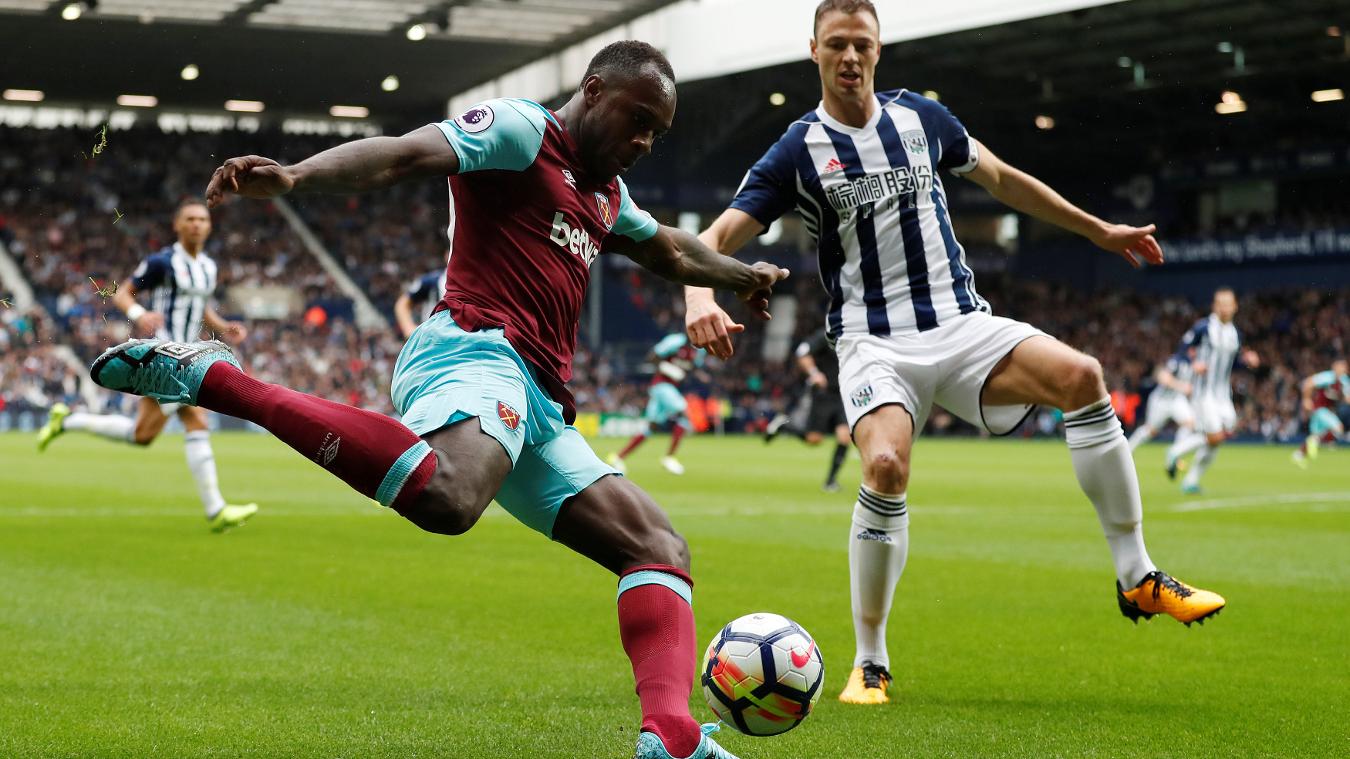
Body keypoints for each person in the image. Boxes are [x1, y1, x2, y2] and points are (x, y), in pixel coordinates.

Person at [90, 41, 786, 759]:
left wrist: (742, 273)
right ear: (594, 88)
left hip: (539, 399)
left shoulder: (607, 192)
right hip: (475, 348)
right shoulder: (521, 130)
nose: (644, 142)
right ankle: (218, 379)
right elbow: (403, 153)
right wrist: (297, 175)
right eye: (638, 120)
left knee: (658, 548)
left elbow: (669, 250)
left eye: (657, 133)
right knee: (451, 498)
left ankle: (671, 739)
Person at [682, 0, 1225, 707]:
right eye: (837, 44)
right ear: (813, 49)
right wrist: (699, 298)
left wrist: (1099, 230)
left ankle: (1138, 576)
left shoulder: (923, 120)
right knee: (884, 463)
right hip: (873, 341)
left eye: (863, 45)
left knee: (1083, 375)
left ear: (880, 50)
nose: (851, 57)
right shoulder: (797, 149)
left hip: (961, 324)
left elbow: (1000, 178)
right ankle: (870, 659)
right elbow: (715, 236)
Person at [37, 199, 257, 532]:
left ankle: (67, 421)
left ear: (209, 226)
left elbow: (200, 305)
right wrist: (140, 315)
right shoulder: (162, 262)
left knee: (143, 434)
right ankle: (216, 511)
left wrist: (223, 326)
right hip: (165, 355)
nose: (197, 224)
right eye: (190, 219)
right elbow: (123, 294)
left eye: (202, 219)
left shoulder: (208, 267)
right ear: (178, 225)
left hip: (190, 353)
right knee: (195, 420)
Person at [1162, 288, 1260, 493]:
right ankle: (1176, 452)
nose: (1224, 308)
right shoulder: (1203, 328)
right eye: (1220, 304)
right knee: (1214, 436)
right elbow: (1181, 351)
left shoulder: (1236, 333)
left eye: (1228, 304)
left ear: (1235, 307)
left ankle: (1190, 480)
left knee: (1220, 436)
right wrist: (1193, 362)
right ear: (1215, 306)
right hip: (1203, 393)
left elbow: (1234, 362)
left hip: (1223, 394)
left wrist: (1247, 361)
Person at [765, 328, 851, 491]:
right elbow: (802, 352)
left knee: (844, 436)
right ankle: (785, 427)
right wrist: (814, 373)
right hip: (823, 395)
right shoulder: (826, 335)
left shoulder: (854, 333)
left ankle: (830, 482)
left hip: (843, 394)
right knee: (814, 439)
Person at [609, 333, 701, 475]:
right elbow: (652, 357)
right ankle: (669, 458)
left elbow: (691, 368)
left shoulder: (698, 350)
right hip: (662, 386)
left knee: (651, 427)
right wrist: (667, 369)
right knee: (683, 412)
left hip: (665, 389)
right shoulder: (676, 341)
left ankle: (618, 457)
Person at [1127, 351, 1196, 453]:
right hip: (1161, 400)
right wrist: (1181, 386)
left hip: (1176, 399)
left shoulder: (1194, 363)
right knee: (1150, 431)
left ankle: (1175, 452)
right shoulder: (1177, 360)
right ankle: (1127, 449)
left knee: (1190, 423)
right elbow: (1162, 377)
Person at [1291, 358, 1348, 469]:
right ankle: (1316, 442)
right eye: (1340, 367)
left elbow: (1347, 397)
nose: (1342, 369)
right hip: (1319, 409)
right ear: (1334, 367)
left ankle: (1298, 455)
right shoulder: (1327, 377)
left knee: (1315, 435)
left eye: (1344, 367)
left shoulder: (1344, 381)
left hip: (1328, 411)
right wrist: (1306, 399)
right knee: (1338, 428)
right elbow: (1308, 383)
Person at [394, 258, 448, 339]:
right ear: (447, 255)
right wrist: (408, 328)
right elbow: (402, 303)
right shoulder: (433, 279)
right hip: (432, 338)